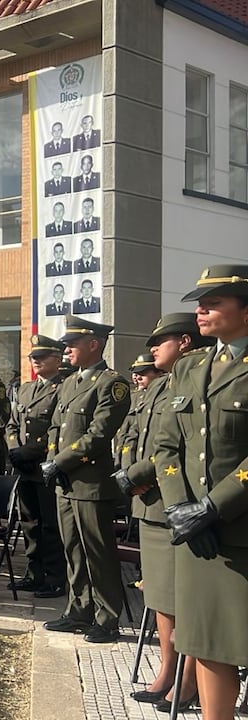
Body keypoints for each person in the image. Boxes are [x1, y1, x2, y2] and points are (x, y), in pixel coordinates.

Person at [152, 265, 248, 719]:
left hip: (239, 526)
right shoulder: (190, 367)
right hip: (196, 531)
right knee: (209, 642)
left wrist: (213, 507)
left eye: (214, 302)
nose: (201, 310)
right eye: (199, 302)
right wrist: (180, 510)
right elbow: (166, 445)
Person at [116, 314, 210, 710]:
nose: (153, 348)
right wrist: (130, 476)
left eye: (162, 340)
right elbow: (137, 438)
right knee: (160, 598)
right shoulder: (159, 387)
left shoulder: (196, 378)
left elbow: (178, 449)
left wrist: (139, 475)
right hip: (151, 506)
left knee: (184, 600)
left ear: (185, 342)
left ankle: (187, 683)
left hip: (178, 503)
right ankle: (167, 672)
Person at [41, 315, 130, 644]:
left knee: (98, 552)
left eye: (72, 344)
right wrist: (53, 460)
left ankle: (107, 619)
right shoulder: (69, 382)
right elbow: (55, 427)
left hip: (91, 483)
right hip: (66, 482)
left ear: (94, 344)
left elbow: (98, 434)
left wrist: (60, 462)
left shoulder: (112, 383)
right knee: (73, 549)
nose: (66, 349)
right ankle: (79, 609)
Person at [6, 335, 69, 599]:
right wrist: (13, 449)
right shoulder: (25, 389)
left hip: (46, 466)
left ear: (57, 359)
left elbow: (58, 429)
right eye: (34, 358)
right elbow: (11, 424)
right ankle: (34, 573)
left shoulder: (63, 388)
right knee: (29, 523)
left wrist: (28, 451)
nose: (36, 361)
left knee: (50, 526)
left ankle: (55, 578)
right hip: (24, 468)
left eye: (42, 357)